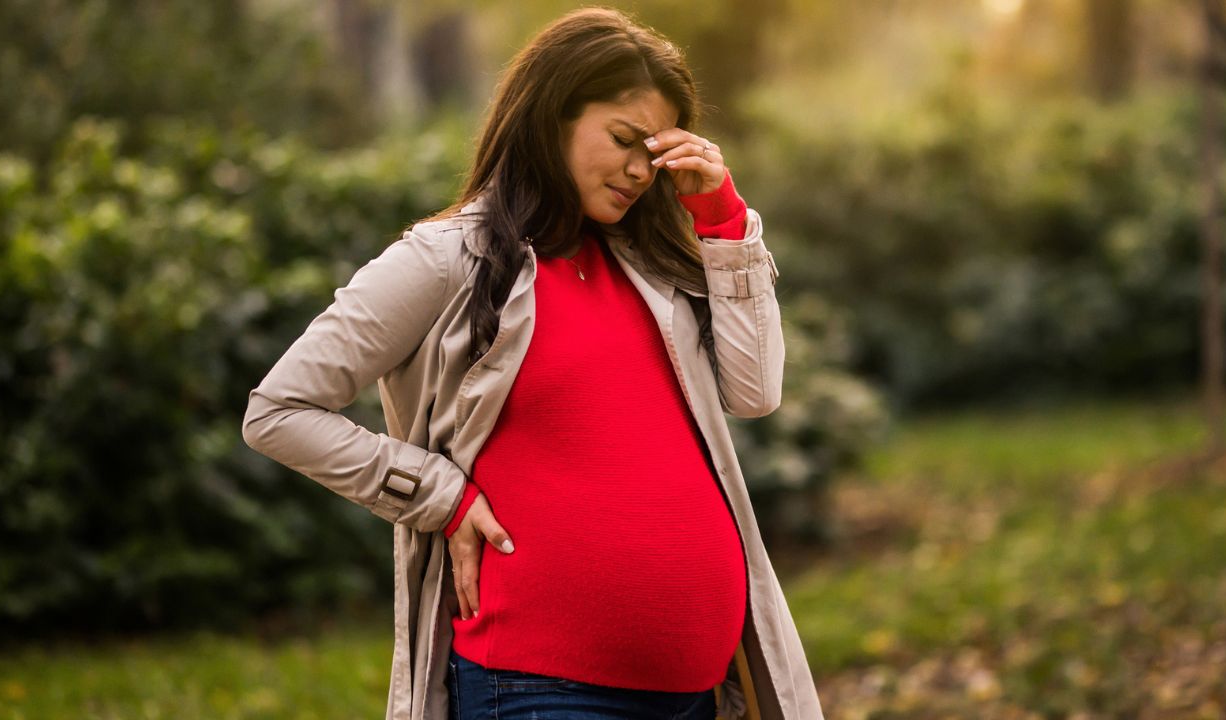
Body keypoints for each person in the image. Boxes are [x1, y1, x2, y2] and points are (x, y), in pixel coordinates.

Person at [241, 7, 823, 720]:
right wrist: (440, 496)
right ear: (551, 118)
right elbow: (278, 411)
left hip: (695, 694)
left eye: (657, 149)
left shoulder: (651, 268)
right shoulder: (447, 259)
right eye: (622, 139)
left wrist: (722, 222)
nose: (642, 170)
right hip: (538, 691)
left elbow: (756, 391)